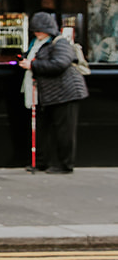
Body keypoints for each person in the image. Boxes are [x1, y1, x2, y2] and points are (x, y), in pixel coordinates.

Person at [20, 11, 88, 173]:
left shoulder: (60, 43)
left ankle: (65, 165)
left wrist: (33, 66)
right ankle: (42, 161)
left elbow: (60, 64)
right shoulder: (36, 43)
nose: (37, 33)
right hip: (47, 94)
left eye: (40, 30)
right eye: (35, 30)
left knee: (64, 131)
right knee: (44, 129)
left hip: (65, 92)